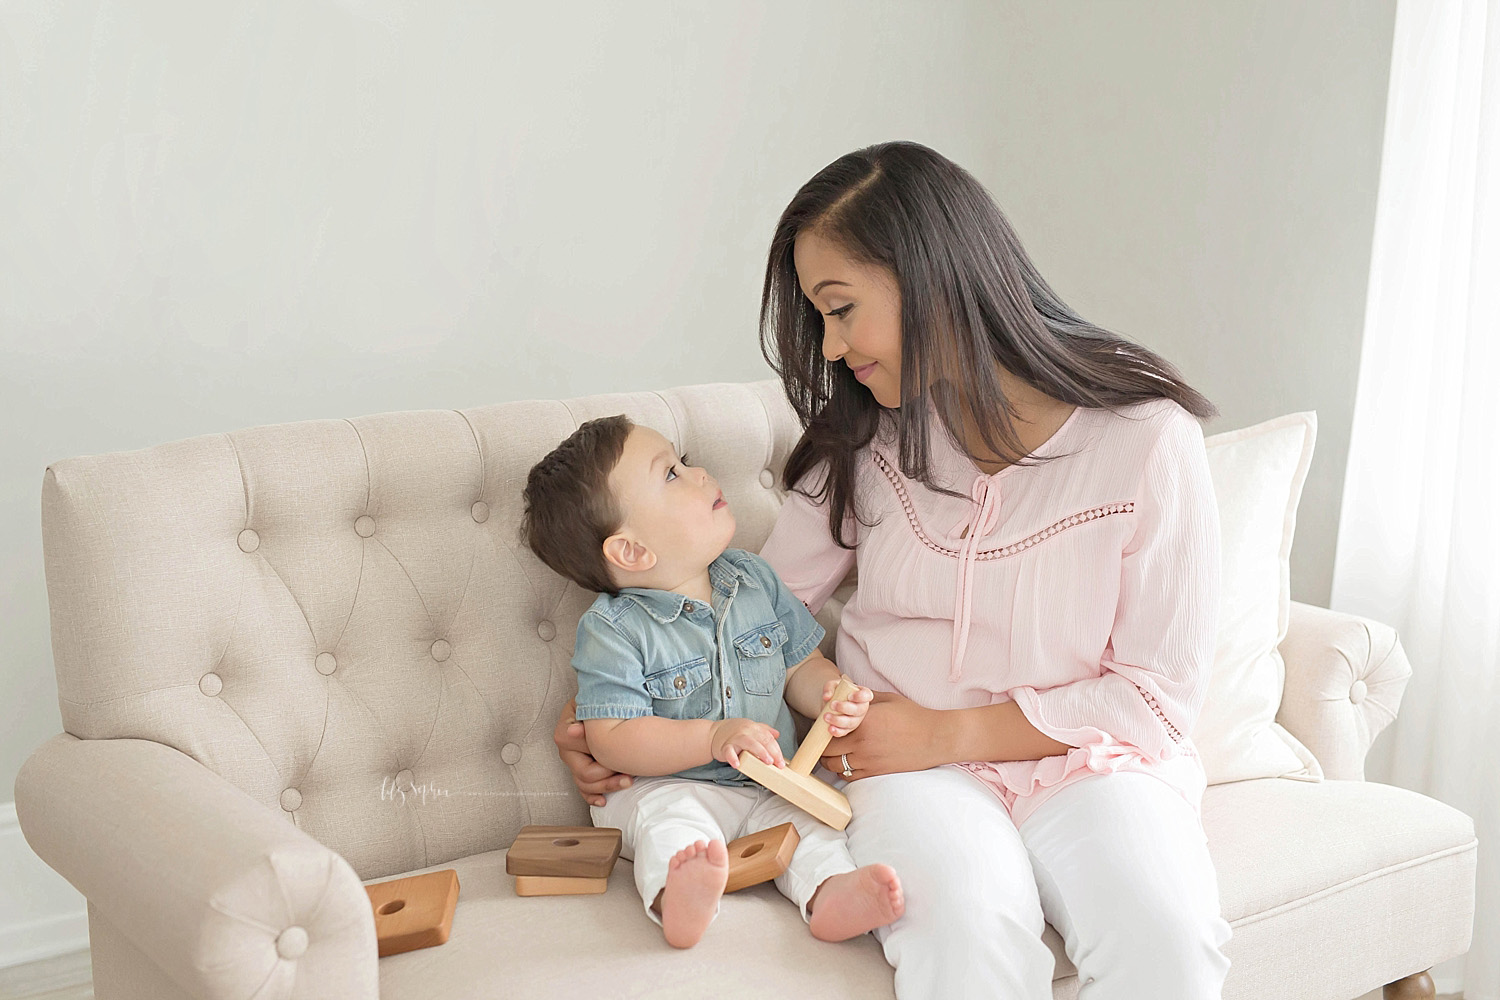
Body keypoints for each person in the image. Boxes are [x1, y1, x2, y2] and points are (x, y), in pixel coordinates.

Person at [553, 140, 1234, 997]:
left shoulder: (1146, 441)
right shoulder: (862, 443)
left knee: (1165, 941)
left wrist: (950, 730)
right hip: (908, 778)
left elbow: (1155, 697)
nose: (830, 347)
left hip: (1094, 764)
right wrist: (620, 732)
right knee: (964, 935)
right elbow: (747, 624)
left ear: (931, 276)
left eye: (841, 309)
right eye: (820, 319)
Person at [520, 414, 904, 950]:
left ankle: (831, 894)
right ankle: (677, 895)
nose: (699, 473)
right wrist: (710, 738)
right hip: (668, 786)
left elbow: (797, 665)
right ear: (632, 551)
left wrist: (830, 695)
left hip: (766, 782)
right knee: (669, 823)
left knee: (810, 827)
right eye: (672, 475)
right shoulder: (612, 628)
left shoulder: (754, 580)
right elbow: (611, 738)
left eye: (683, 461)